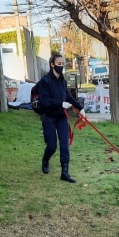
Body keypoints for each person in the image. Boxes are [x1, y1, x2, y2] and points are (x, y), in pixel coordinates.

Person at [38, 54, 85, 183]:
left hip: (61, 118)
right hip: (49, 117)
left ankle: (65, 173)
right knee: (52, 146)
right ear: (52, 64)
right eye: (59, 63)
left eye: (63, 63)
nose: (62, 66)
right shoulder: (45, 81)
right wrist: (60, 104)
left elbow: (68, 97)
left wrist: (80, 108)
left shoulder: (62, 81)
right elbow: (44, 100)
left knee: (65, 145)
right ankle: (46, 159)